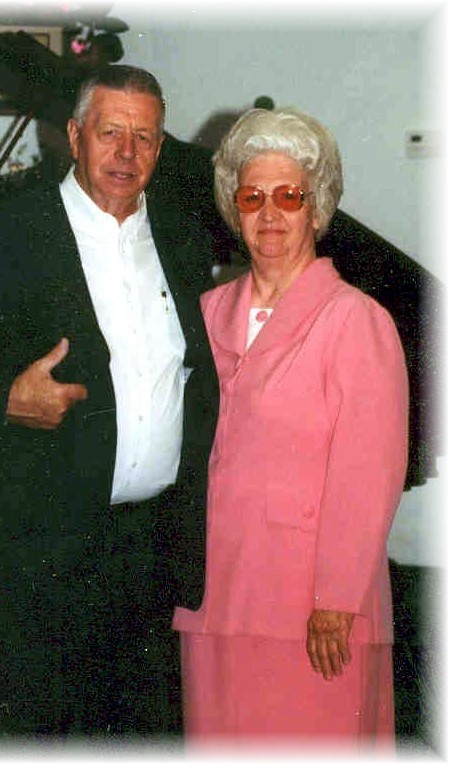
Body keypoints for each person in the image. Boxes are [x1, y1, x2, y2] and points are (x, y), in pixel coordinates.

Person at [0, 65, 218, 739]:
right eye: (109, 132)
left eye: (144, 137)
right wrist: (1, 398)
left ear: (160, 147)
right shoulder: (0, 231)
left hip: (148, 551)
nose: (127, 152)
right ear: (74, 136)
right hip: (35, 557)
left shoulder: (181, 237)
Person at [173, 107, 409, 749]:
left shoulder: (356, 320)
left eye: (289, 196)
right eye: (252, 197)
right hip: (213, 600)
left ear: (317, 208)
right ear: (234, 208)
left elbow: (369, 475)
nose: (270, 213)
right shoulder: (204, 313)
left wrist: (336, 599)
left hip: (313, 614)